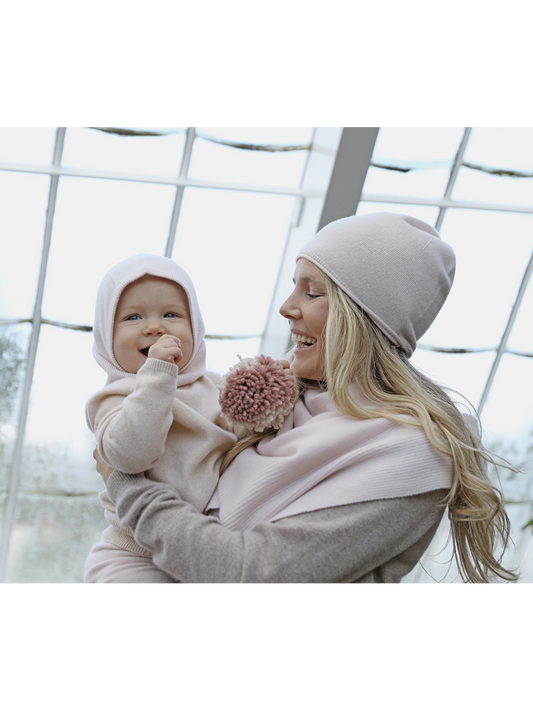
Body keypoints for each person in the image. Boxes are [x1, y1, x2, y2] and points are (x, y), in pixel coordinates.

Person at [94, 213, 519, 586]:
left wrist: (126, 484)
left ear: (363, 314)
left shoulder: (414, 451)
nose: (286, 307)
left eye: (311, 292)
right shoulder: (282, 403)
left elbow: (248, 574)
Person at [84, 254, 237, 585]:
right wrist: (157, 374)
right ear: (105, 336)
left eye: (171, 314)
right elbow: (132, 453)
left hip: (204, 549)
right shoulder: (113, 398)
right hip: (134, 554)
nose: (154, 327)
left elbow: (244, 435)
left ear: (195, 326)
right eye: (133, 317)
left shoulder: (215, 387)